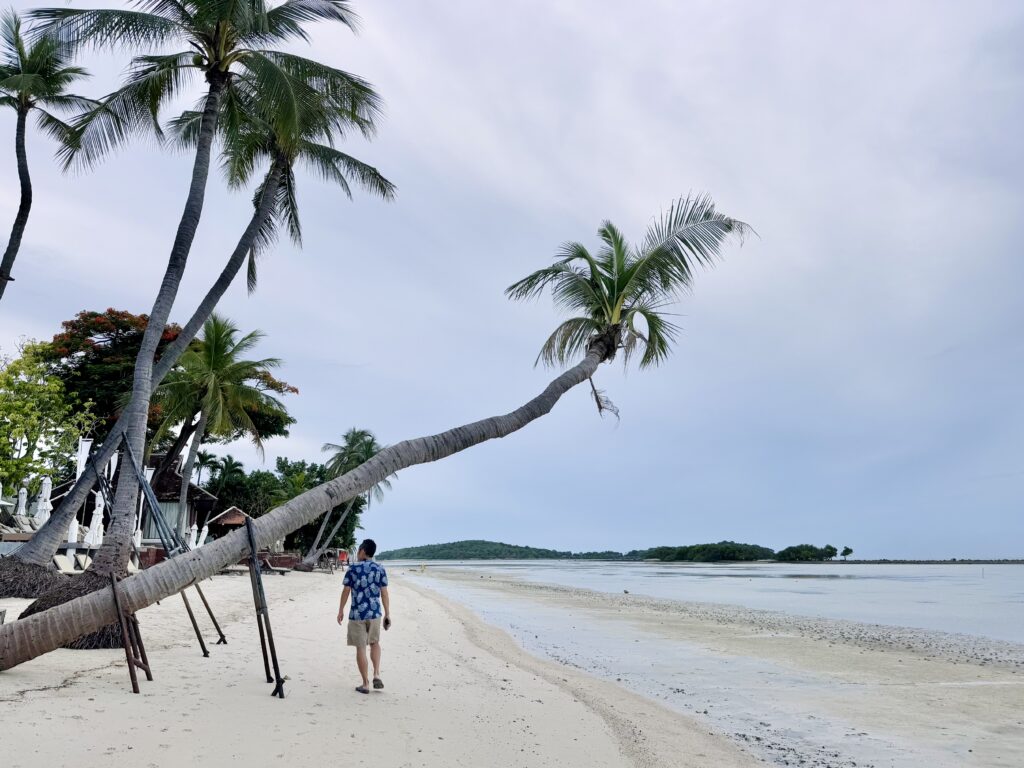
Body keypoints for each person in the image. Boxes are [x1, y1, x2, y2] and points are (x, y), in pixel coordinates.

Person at [337, 538, 391, 694]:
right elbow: (384, 593)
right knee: (374, 643)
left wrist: (341, 610)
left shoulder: (353, 569)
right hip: (375, 614)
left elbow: (346, 590)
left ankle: (365, 684)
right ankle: (377, 674)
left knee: (360, 648)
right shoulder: (380, 569)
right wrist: (387, 614)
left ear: (362, 551)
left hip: (357, 614)